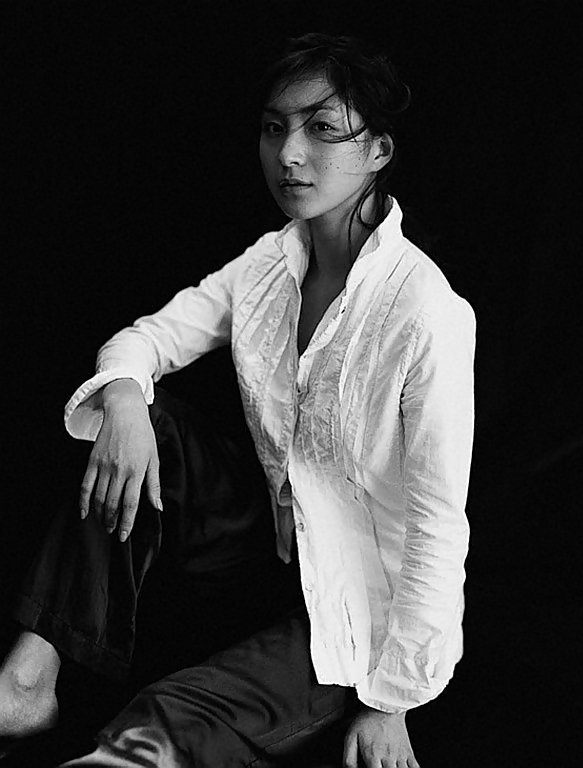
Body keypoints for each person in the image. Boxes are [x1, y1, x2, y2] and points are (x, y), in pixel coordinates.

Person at [0, 33, 475, 768]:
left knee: (174, 715)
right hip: (265, 554)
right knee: (144, 417)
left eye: (322, 129)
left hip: (353, 608)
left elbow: (439, 526)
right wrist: (123, 402)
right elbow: (148, 339)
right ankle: (27, 683)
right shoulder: (270, 263)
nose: (289, 153)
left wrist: (392, 702)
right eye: (274, 127)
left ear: (378, 150)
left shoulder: (425, 310)